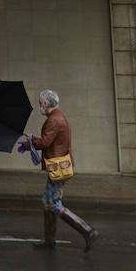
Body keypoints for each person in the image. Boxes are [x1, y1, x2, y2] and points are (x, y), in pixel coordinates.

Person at [27, 89, 98, 252]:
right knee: (49, 201)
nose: (39, 106)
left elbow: (45, 142)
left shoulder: (54, 120)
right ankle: (49, 241)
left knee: (50, 202)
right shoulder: (57, 117)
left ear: (45, 103)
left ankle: (87, 231)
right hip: (60, 166)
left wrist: (31, 141)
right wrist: (30, 143)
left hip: (58, 168)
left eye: (40, 103)